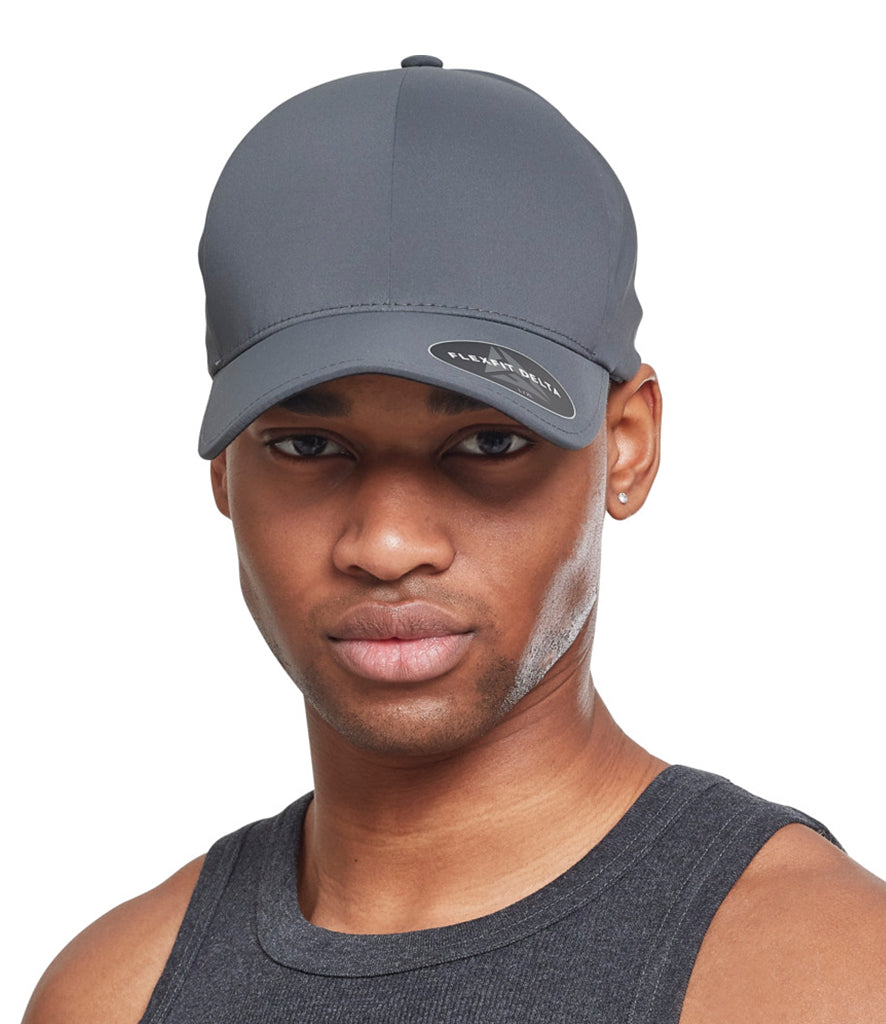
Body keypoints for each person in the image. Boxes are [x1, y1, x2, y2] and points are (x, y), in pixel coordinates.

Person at [23, 55, 886, 1024]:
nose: (388, 544)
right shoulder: (112, 994)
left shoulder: (823, 977)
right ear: (225, 468)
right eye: (307, 445)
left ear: (628, 446)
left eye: (488, 443)